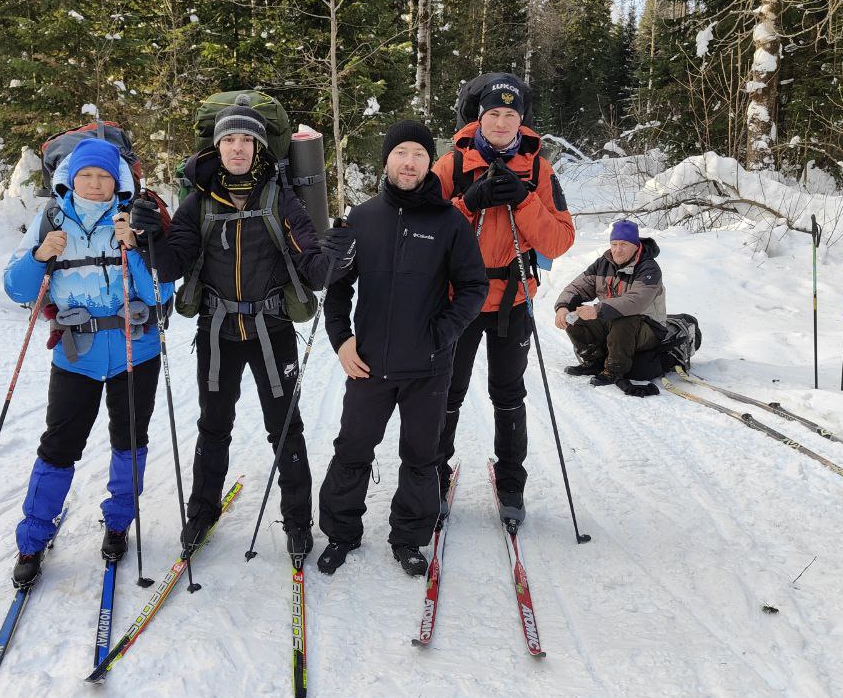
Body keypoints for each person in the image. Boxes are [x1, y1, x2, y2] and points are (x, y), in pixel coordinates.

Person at [131, 95, 338, 559]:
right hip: (217, 331)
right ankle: (202, 512)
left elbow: (311, 259)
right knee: (214, 425)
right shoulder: (199, 201)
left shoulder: (279, 196)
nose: (239, 147)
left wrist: (332, 257)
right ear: (218, 147)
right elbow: (170, 263)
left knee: (285, 426)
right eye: (230, 139)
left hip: (273, 330)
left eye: (247, 139)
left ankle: (299, 519)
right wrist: (149, 237)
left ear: (260, 149)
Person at [317, 120, 487, 576]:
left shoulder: (450, 221)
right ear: (387, 160)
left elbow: (473, 286)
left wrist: (442, 334)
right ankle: (340, 532)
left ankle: (409, 538)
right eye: (400, 153)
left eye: (418, 153)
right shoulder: (362, 218)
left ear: (430, 162)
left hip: (427, 369)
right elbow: (337, 287)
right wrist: (341, 339)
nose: (408, 162)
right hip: (367, 364)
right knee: (352, 449)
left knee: (421, 456)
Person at [3, 137, 175, 587]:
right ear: (71, 178)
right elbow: (18, 290)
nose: (95, 184)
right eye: (86, 175)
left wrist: (135, 248)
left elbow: (162, 292)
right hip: (75, 356)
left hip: (136, 352)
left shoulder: (133, 219)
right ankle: (33, 537)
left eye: (103, 176)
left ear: (116, 179)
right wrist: (41, 256)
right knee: (58, 446)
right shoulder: (49, 220)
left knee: (129, 440)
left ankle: (118, 522)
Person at [432, 77, 575, 524]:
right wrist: (468, 202)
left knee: (509, 394)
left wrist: (524, 199)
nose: (500, 122)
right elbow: (422, 232)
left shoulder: (539, 171)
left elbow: (560, 239)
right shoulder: (450, 166)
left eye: (510, 115)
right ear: (478, 117)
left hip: (513, 300)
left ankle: (512, 483)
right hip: (458, 300)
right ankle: (432, 477)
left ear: (521, 121)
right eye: (493, 113)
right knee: (446, 393)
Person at [554, 219, 664, 398]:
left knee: (624, 317)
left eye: (624, 244)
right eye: (614, 244)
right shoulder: (603, 263)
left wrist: (597, 310)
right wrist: (563, 307)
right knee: (574, 316)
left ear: (636, 246)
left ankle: (615, 369)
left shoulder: (648, 268)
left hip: (649, 328)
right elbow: (576, 288)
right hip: (612, 321)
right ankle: (593, 360)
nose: (617, 249)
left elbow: (636, 302)